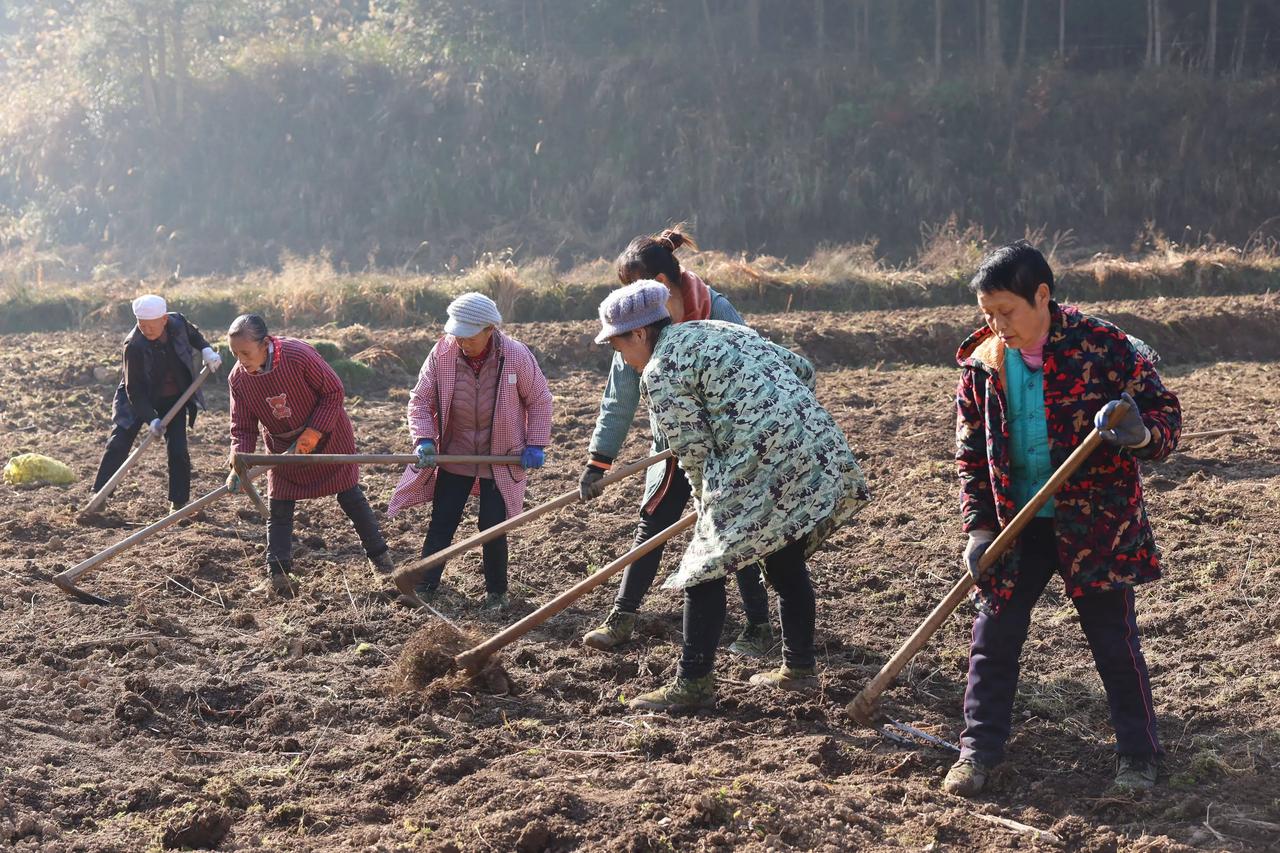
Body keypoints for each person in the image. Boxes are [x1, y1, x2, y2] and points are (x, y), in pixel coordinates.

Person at [945, 241, 1181, 797]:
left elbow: (1164, 417)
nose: (997, 324)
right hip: (1016, 524)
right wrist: (979, 531)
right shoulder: (982, 366)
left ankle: (1138, 757)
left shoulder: (1103, 346)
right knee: (992, 639)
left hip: (1094, 524)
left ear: (1043, 296)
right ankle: (977, 753)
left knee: (1114, 643)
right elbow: (970, 455)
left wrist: (1140, 434)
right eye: (987, 313)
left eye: (1006, 310)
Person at [593, 282, 870, 711]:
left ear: (641, 333)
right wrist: (777, 417)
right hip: (813, 445)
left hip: (755, 463)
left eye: (617, 345)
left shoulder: (661, 369)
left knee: (704, 567)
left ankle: (694, 683)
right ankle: (798, 669)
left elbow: (693, 451)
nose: (621, 357)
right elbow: (803, 371)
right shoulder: (719, 329)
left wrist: (710, 517)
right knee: (782, 554)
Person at [579, 226, 774, 657]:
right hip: (673, 439)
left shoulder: (716, 311)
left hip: (727, 441)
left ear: (661, 285)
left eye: (635, 289)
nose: (627, 300)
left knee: (733, 525)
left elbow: (754, 367)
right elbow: (620, 396)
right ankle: (622, 615)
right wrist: (600, 460)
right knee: (654, 519)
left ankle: (759, 626)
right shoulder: (633, 324)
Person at [386, 293, 553, 611]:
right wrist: (424, 439)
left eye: (469, 336)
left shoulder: (515, 356)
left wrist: (535, 442)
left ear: (490, 330)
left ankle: (496, 594)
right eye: (457, 336)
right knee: (442, 522)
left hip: (500, 457)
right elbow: (420, 400)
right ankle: (426, 585)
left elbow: (540, 399)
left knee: (493, 527)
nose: (462, 343)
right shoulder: (443, 353)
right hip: (456, 453)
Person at [224, 314, 392, 596]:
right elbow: (242, 426)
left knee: (350, 497)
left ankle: (383, 564)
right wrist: (238, 461)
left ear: (265, 343)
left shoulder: (298, 355)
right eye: (234, 354)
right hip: (280, 448)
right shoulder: (239, 379)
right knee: (279, 508)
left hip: (327, 436)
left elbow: (333, 392)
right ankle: (277, 575)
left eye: (245, 352)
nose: (241, 360)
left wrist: (310, 437)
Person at [91, 294, 222, 512]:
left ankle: (178, 502)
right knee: (118, 443)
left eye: (152, 326)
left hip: (174, 398)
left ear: (164, 320)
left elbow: (194, 335)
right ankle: (100, 495)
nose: (147, 331)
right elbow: (134, 390)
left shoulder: (177, 322)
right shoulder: (133, 346)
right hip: (138, 398)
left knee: (178, 449)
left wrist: (207, 350)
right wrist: (151, 419)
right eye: (142, 326)